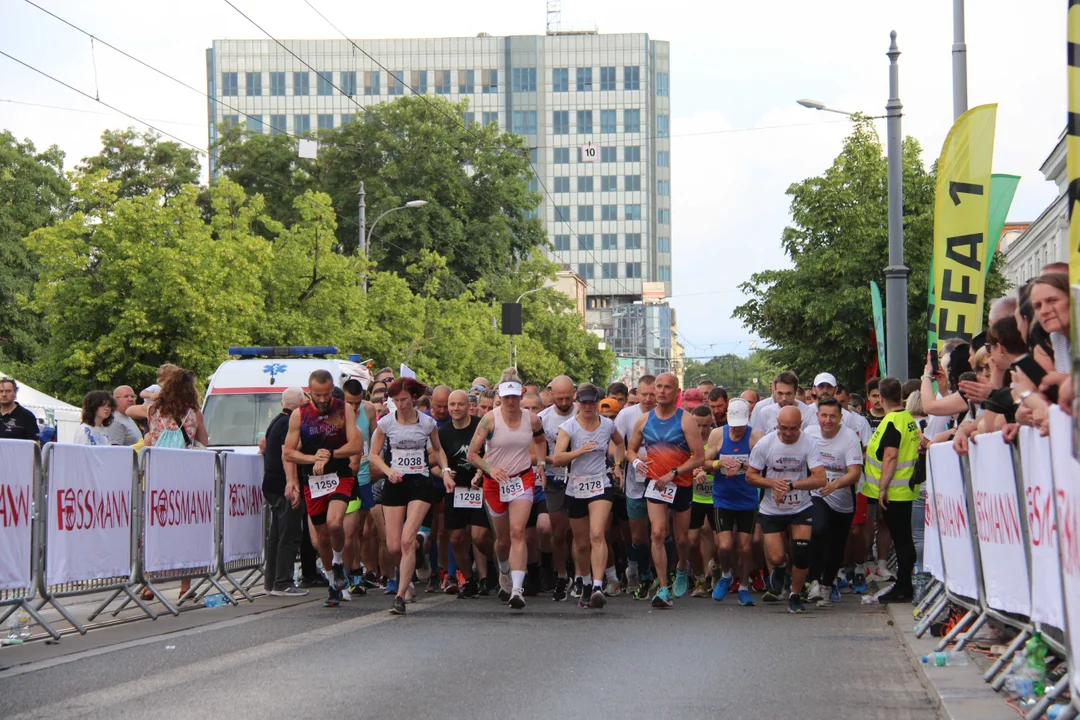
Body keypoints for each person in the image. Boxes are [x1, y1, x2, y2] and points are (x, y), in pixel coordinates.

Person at [283, 370, 364, 608]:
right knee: (322, 536)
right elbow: (288, 452)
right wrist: (312, 459)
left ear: (332, 390)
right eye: (317, 395)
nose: (322, 400)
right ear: (309, 393)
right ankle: (332, 583)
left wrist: (330, 455)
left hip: (340, 475)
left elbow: (356, 444)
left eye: (326, 394)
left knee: (335, 522)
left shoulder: (343, 409)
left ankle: (338, 562)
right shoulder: (299, 415)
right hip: (314, 480)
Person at [368, 377, 448, 616]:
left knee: (405, 541)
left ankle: (400, 596)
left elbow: (438, 449)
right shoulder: (385, 424)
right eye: (395, 400)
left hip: (420, 483)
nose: (400, 404)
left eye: (403, 399)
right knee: (393, 545)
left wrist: (444, 471)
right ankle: (413, 568)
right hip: (395, 482)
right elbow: (373, 455)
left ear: (413, 398)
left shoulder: (427, 423)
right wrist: (388, 470)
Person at [627, 372, 705, 608]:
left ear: (676, 392)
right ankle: (663, 589)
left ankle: (682, 567)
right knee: (658, 532)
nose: (661, 391)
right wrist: (636, 462)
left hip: (680, 484)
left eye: (666, 387)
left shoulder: (686, 420)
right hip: (655, 484)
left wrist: (674, 472)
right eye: (658, 386)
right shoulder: (643, 420)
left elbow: (699, 457)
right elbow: (629, 450)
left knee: (682, 540)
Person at [467, 378, 547, 610]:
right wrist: (490, 469)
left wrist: (540, 463)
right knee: (502, 539)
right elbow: (472, 454)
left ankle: (517, 590)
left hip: (522, 478)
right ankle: (503, 568)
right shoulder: (489, 420)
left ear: (521, 397)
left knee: (518, 532)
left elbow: (541, 441)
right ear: (499, 398)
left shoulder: (531, 419)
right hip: (494, 483)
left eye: (515, 397)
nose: (511, 401)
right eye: (507, 397)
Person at [746, 406, 827, 614]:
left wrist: (792, 485)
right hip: (772, 509)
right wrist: (772, 483)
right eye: (783, 428)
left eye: (793, 428)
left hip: (800, 506)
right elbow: (750, 476)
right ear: (777, 425)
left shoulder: (808, 442)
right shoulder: (766, 443)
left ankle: (795, 595)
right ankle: (780, 569)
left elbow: (820, 478)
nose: (788, 433)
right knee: (776, 557)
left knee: (801, 553)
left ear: (800, 425)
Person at [552, 383, 624, 609]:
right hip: (576, 487)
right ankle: (583, 581)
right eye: (583, 402)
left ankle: (597, 586)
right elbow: (557, 458)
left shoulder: (607, 424)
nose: (588, 406)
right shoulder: (569, 427)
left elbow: (620, 443)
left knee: (597, 534)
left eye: (592, 402)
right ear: (578, 403)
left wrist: (619, 465)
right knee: (582, 544)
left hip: (600, 484)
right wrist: (579, 451)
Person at [145, 368, 210, 600]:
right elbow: (203, 441)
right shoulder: (194, 413)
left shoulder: (154, 410)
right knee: (186, 528)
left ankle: (148, 582)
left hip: (159, 475)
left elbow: (149, 439)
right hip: (185, 477)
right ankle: (185, 586)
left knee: (155, 527)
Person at [860, 377, 921, 603]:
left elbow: (891, 455)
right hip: (904, 488)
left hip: (895, 491)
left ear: (882, 397)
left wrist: (883, 487)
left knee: (902, 539)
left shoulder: (893, 421)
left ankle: (903, 586)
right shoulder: (906, 418)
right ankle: (904, 584)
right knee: (903, 538)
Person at [804, 398, 864, 607]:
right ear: (817, 416)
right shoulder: (809, 434)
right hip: (817, 493)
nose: (827, 421)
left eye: (832, 416)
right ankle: (812, 582)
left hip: (842, 498)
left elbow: (855, 473)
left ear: (840, 418)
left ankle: (828, 584)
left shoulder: (849, 438)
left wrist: (835, 484)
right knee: (818, 529)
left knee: (836, 545)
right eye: (823, 415)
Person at [704, 398, 762, 606]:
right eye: (734, 425)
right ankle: (726, 574)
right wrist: (720, 462)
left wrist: (746, 465)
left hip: (747, 498)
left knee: (746, 547)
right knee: (725, 546)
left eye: (741, 426)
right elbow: (704, 461)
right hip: (723, 498)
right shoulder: (717, 434)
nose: (737, 431)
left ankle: (744, 588)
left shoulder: (756, 437)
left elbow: (765, 466)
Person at [439, 389, 489, 599]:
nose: (456, 409)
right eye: (452, 405)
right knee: (457, 538)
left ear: (469, 406)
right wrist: (445, 474)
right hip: (456, 490)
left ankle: (490, 573)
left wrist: (480, 472)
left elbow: (492, 453)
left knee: (479, 537)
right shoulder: (443, 433)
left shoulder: (481, 425)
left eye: (460, 404)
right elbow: (433, 463)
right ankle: (469, 579)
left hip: (480, 487)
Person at [262, 387, 309, 597]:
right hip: (283, 486)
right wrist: (294, 484)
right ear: (300, 404)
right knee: (289, 535)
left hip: (271, 484)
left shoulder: (275, 421)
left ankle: (272, 581)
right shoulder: (290, 423)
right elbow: (287, 454)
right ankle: (283, 582)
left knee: (276, 537)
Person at [615, 375, 657, 598]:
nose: (649, 398)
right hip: (635, 484)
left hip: (662, 482)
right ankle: (643, 572)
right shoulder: (626, 415)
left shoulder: (667, 414)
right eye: (644, 394)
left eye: (653, 394)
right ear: (637, 394)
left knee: (660, 532)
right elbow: (615, 445)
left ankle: (660, 576)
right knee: (639, 536)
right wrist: (622, 463)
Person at [538, 375, 578, 601]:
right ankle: (561, 574)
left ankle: (580, 573)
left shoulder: (583, 413)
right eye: (559, 398)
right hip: (554, 480)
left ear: (574, 392)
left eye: (567, 398)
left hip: (579, 478)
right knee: (558, 532)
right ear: (551, 393)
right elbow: (536, 451)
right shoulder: (542, 419)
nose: (564, 403)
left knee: (578, 532)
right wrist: (550, 462)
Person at [343, 378, 378, 594]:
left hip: (364, 475)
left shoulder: (369, 410)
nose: (354, 407)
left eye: (357, 402)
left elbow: (375, 440)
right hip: (346, 476)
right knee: (350, 529)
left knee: (362, 529)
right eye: (350, 402)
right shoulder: (338, 413)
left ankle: (362, 571)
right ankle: (353, 571)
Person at [687, 405, 718, 597]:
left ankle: (712, 574)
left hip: (715, 497)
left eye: (706, 425)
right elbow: (678, 467)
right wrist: (693, 472)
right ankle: (698, 577)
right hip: (694, 497)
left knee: (720, 542)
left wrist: (706, 469)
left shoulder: (716, 439)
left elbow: (721, 464)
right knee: (691, 541)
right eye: (697, 425)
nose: (702, 430)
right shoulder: (685, 441)